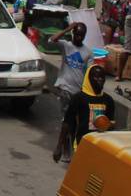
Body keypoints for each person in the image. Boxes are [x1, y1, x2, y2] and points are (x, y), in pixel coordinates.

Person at [51, 22, 93, 163]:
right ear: (73, 34)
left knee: (74, 122)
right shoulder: (66, 46)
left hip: (78, 91)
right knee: (67, 120)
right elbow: (52, 39)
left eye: (81, 35)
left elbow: (90, 72)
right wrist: (67, 28)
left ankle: (68, 147)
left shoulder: (88, 53)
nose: (79, 37)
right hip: (65, 88)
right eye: (77, 34)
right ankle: (64, 149)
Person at [63, 64, 115, 149]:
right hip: (81, 144)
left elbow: (111, 123)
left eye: (102, 77)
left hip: (101, 146)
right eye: (96, 77)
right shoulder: (79, 98)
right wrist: (60, 146)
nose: (100, 80)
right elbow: (67, 122)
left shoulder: (108, 100)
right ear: (89, 78)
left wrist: (107, 124)